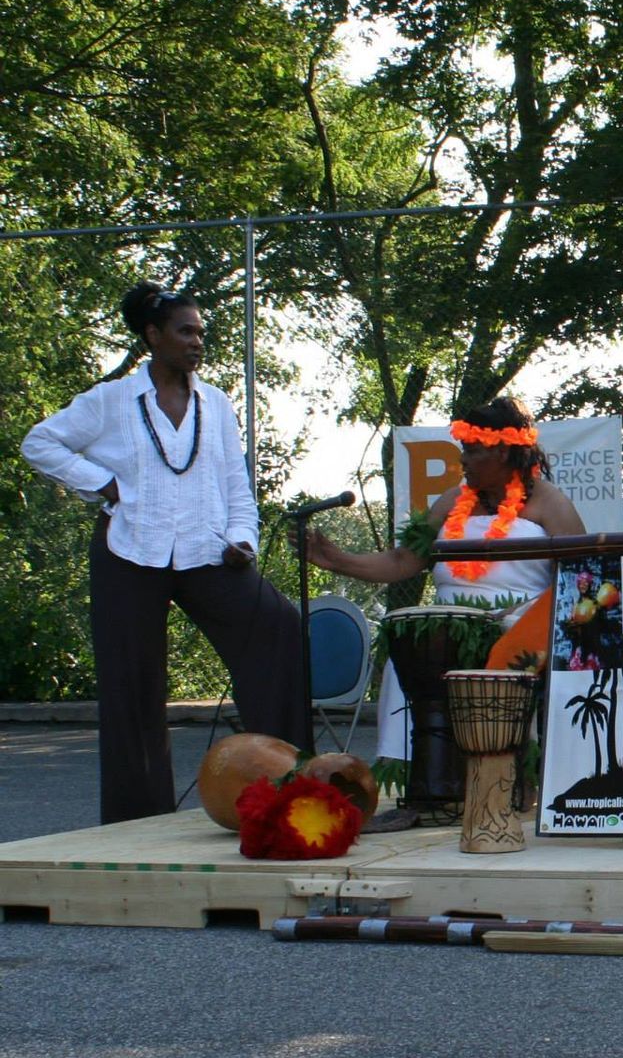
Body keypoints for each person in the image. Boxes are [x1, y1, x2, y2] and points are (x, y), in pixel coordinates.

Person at [22, 283, 305, 823]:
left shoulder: (215, 403)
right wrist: (101, 483)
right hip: (129, 550)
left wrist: (242, 539)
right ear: (153, 336)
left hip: (207, 551)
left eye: (200, 331)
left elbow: (235, 485)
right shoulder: (110, 401)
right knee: (132, 683)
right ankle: (138, 819)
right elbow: (39, 442)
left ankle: (286, 785)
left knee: (278, 626)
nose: (198, 341)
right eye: (186, 331)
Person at [302, 397, 585, 770]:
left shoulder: (550, 503)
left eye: (472, 450)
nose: (463, 460)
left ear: (502, 452)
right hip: (449, 625)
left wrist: (526, 622)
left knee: (508, 639)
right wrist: (337, 560)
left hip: (523, 625)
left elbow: (581, 577)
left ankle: (511, 780)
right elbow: (403, 560)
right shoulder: (451, 501)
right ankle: (421, 783)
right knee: (411, 647)